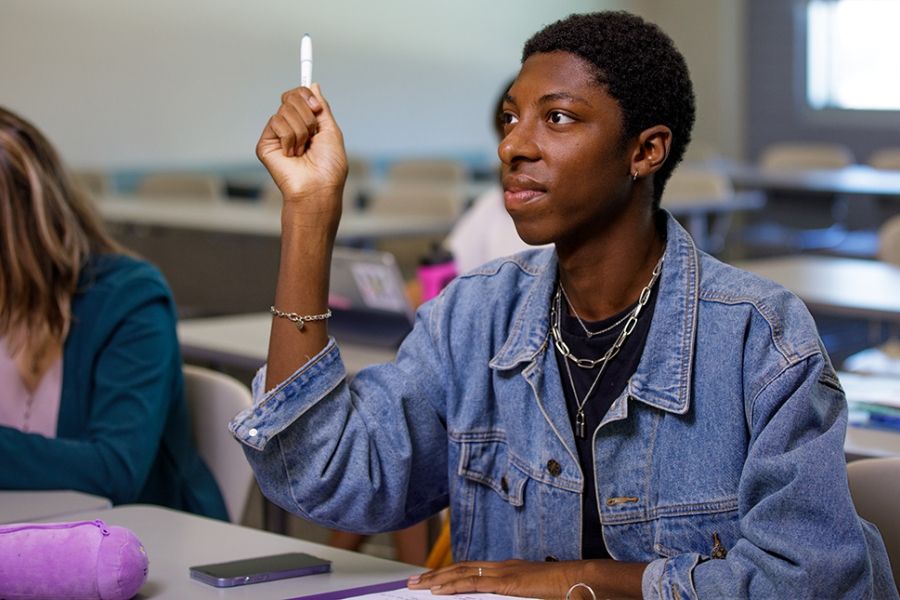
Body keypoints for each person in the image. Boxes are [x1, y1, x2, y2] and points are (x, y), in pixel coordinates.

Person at [232, 11, 896, 599]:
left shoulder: (758, 336)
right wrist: (310, 211)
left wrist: (576, 580)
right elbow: (321, 474)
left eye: (557, 118)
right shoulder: (474, 317)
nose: (512, 145)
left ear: (645, 150)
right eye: (510, 118)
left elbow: (812, 580)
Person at [0, 107, 228, 520]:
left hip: (144, 538)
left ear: (15, 231)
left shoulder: (129, 299)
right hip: (27, 530)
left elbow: (115, 469)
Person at [444, 78, 543, 274]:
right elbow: (442, 274)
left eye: (556, 118)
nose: (506, 150)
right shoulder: (493, 204)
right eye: (509, 120)